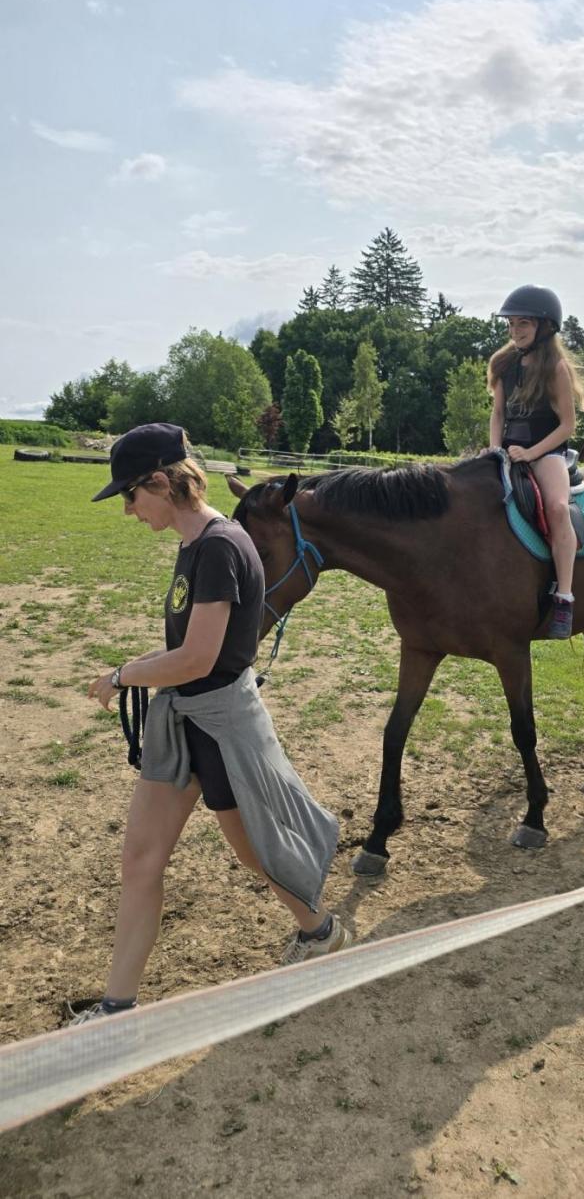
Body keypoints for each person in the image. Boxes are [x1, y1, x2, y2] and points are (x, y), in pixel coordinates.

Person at [71, 423, 350, 1025]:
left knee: (254, 846)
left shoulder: (219, 547)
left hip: (218, 727)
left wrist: (125, 676)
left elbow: (198, 658)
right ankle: (116, 1012)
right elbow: (189, 652)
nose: (127, 510)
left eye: (129, 494)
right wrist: (140, 669)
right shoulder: (197, 542)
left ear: (161, 483)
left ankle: (319, 928)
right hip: (184, 721)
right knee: (142, 861)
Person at [488, 285, 584, 640]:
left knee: (557, 507)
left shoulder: (555, 368)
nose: (515, 331)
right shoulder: (503, 364)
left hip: (546, 453)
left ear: (544, 327)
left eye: (524, 324)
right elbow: (498, 413)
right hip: (507, 450)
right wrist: (494, 450)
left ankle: (564, 596)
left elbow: (567, 425)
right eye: (512, 324)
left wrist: (532, 454)